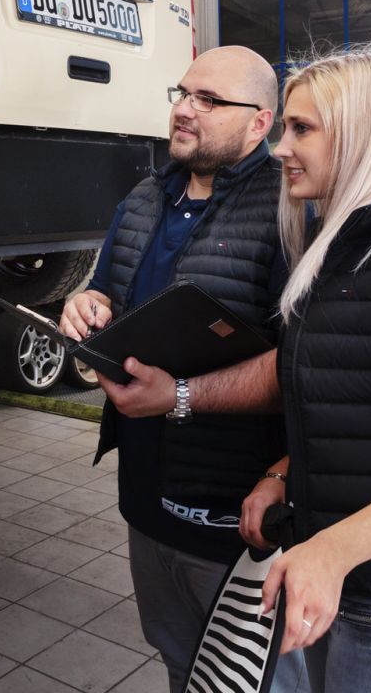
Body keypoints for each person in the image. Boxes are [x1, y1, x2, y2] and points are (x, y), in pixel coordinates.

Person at [101, 44, 371, 693]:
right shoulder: (335, 251)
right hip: (342, 580)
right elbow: (353, 403)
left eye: (301, 129)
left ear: (361, 134)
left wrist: (333, 550)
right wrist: (282, 473)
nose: (278, 149)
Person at [58, 45, 305, 693]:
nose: (183, 110)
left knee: (252, 682)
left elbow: (306, 365)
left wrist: (184, 397)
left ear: (259, 123)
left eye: (208, 100)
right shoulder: (143, 199)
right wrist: (86, 303)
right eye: (181, 93)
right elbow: (108, 289)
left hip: (234, 515)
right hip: (145, 499)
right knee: (179, 664)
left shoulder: (285, 210)